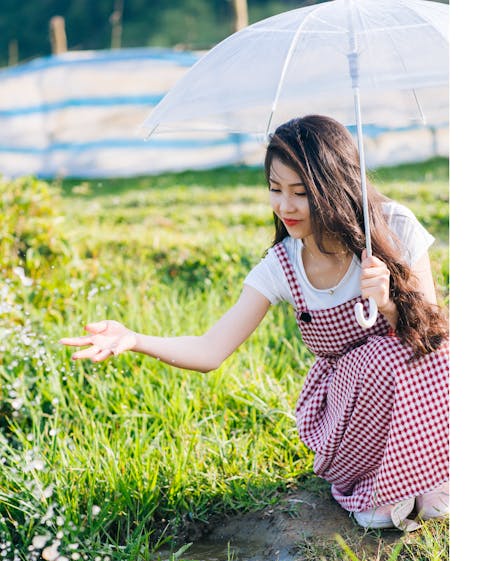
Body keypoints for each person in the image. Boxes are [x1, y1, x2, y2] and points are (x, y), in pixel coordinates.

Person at [60, 115, 449, 531]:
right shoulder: (283, 266)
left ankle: (430, 469)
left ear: (335, 187)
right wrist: (135, 338)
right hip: (351, 414)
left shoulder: (394, 228)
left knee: (404, 359)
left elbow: (434, 336)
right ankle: (376, 481)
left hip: (416, 395)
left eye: (300, 193)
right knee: (377, 501)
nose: (284, 207)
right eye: (275, 189)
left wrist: (390, 304)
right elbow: (210, 350)